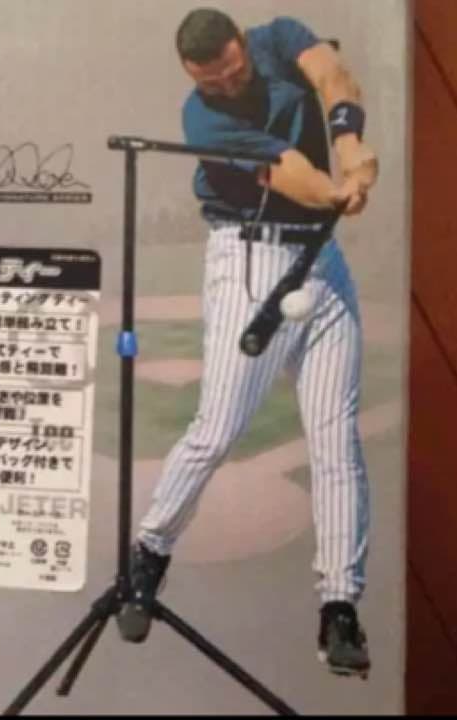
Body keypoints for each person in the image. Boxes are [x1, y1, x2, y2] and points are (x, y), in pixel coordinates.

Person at [117, 8, 379, 678]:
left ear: (242, 44)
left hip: (321, 264)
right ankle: (149, 552)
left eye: (234, 71)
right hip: (251, 260)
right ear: (192, 75)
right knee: (218, 427)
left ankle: (339, 606)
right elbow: (290, 173)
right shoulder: (203, 119)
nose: (229, 85)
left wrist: (351, 148)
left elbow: (333, 76)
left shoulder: (279, 39)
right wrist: (338, 190)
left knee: (336, 438)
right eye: (213, 80)